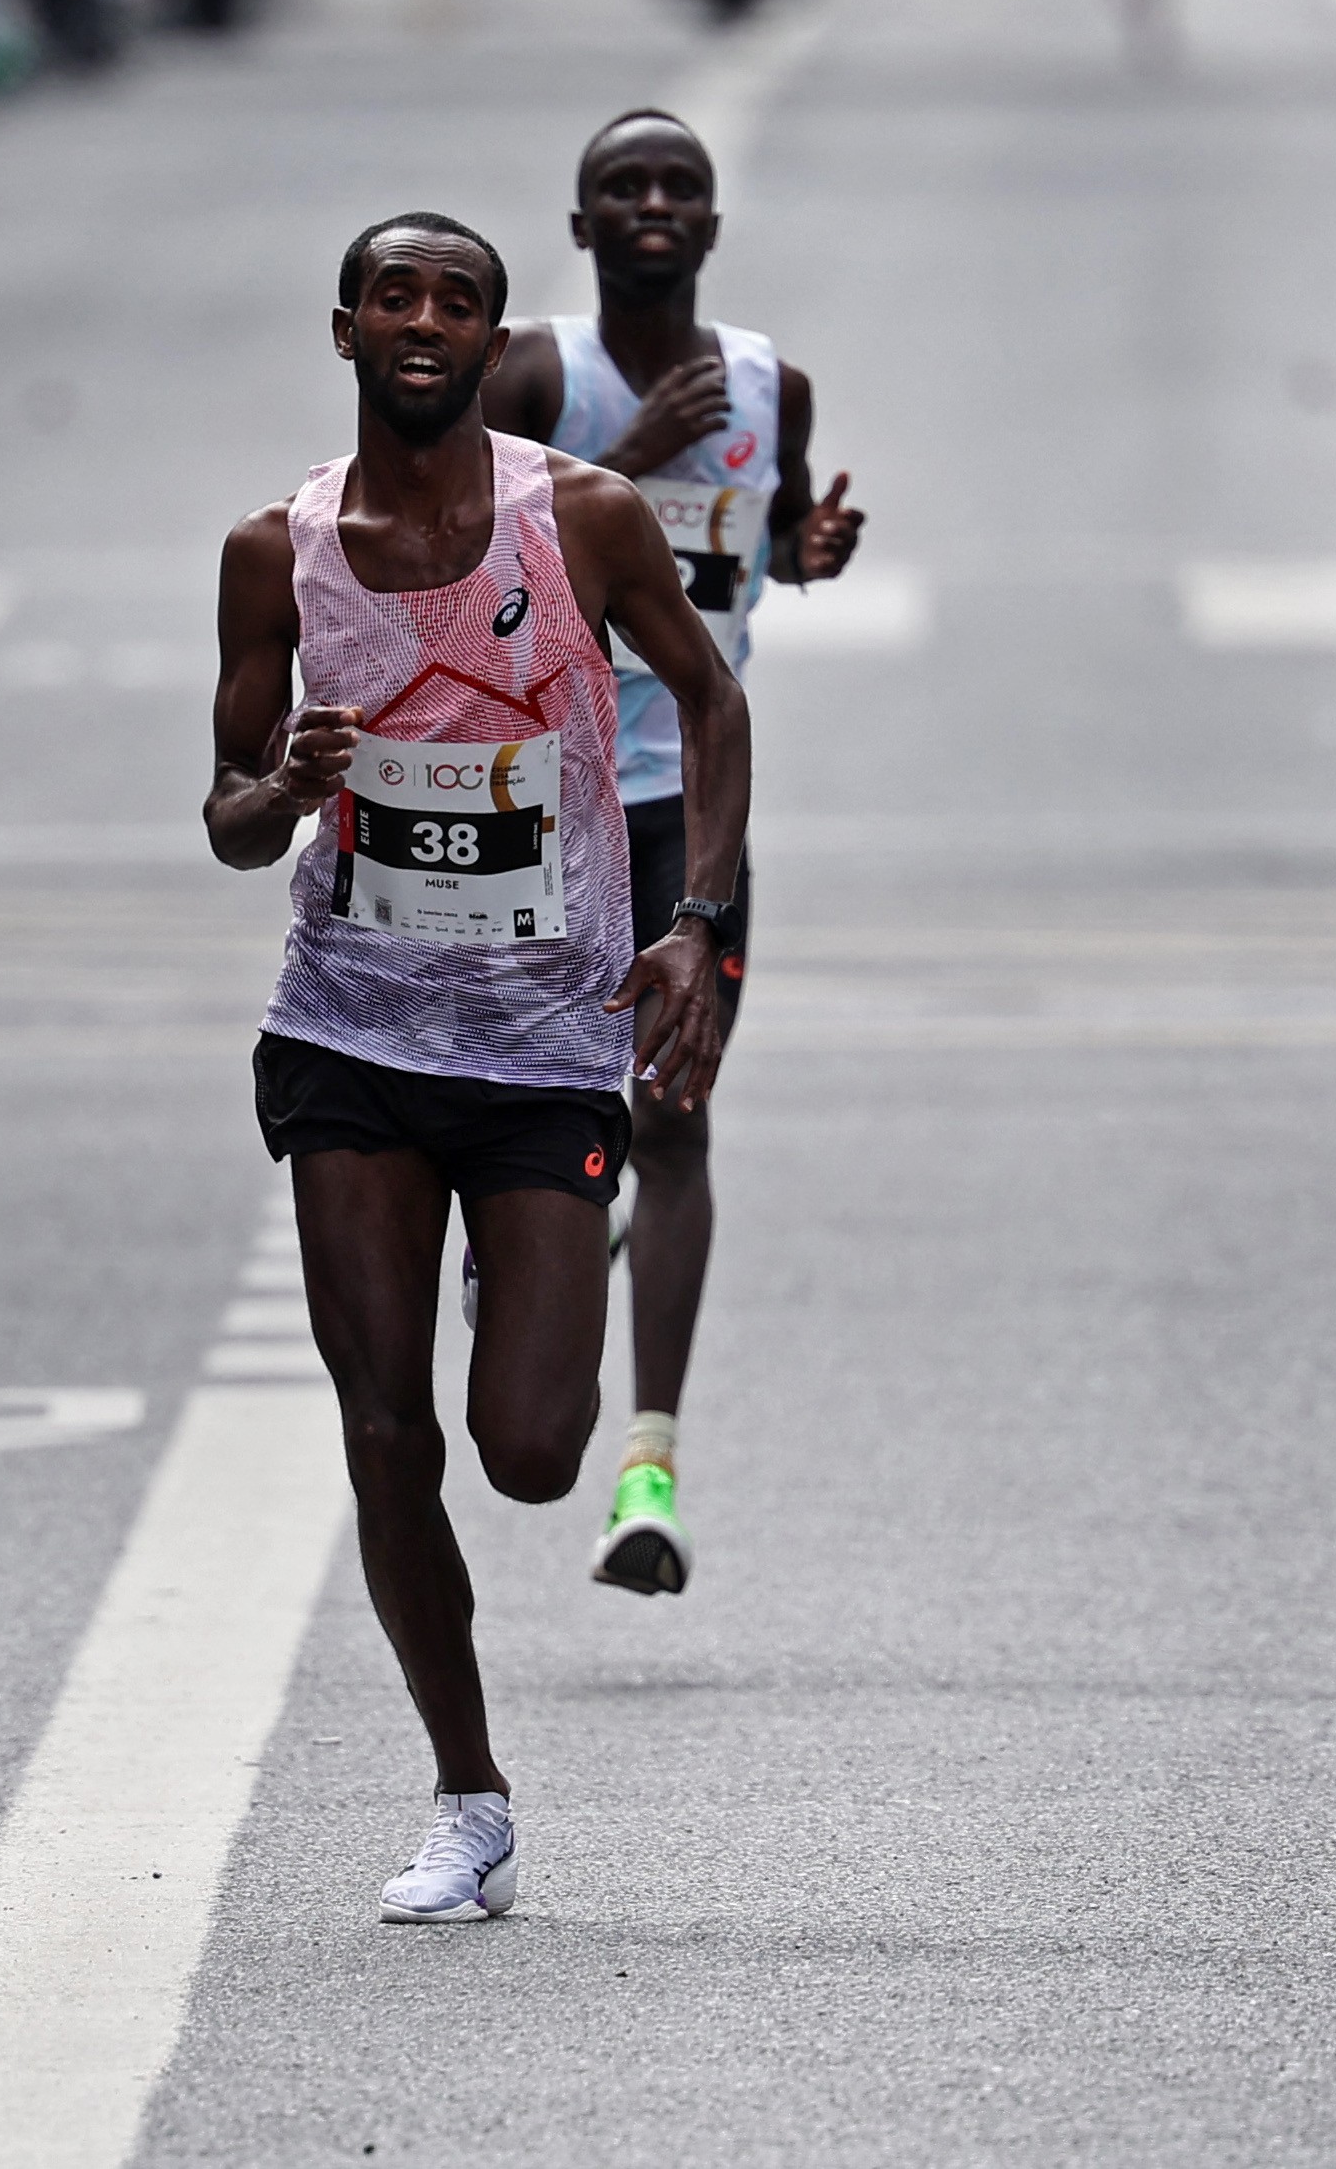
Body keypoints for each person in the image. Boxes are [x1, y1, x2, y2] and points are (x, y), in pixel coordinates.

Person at [207, 213, 750, 1923]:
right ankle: (469, 1792)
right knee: (385, 1434)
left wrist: (695, 925)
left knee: (526, 1447)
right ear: (348, 325)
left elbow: (711, 704)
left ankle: (523, 1280)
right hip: (351, 1034)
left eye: (459, 301)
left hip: (539, 1049)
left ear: (491, 335)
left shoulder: (574, 515)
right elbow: (227, 824)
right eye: (395, 295)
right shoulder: (271, 550)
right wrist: (285, 790)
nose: (424, 321)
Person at [480, 108, 863, 1601]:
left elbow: (758, 556)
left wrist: (806, 553)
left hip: (685, 807)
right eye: (621, 189)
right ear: (580, 229)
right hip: (531, 803)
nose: (652, 205)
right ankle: (512, 1260)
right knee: (527, 1108)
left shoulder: (776, 387)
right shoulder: (532, 375)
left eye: (678, 188)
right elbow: (472, 572)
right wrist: (620, 461)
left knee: (674, 1120)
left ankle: (651, 1463)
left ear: (713, 222)